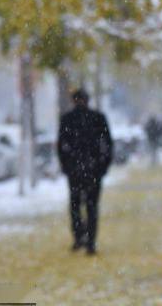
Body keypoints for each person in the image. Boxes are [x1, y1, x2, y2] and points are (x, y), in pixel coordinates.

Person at [58, 89, 112, 255]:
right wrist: (103, 165)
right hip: (92, 169)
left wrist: (66, 165)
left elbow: (61, 146)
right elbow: (108, 144)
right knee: (91, 205)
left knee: (76, 205)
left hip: (77, 170)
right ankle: (90, 241)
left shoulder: (68, 119)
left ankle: (80, 237)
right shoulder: (97, 118)